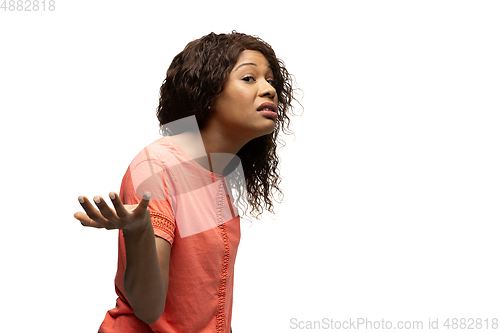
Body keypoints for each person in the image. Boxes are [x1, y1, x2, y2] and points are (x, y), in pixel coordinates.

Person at [73, 31, 299, 333]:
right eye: (249, 78)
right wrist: (140, 231)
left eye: (270, 80)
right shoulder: (158, 166)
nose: (268, 89)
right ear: (208, 92)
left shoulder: (218, 177)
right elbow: (149, 308)